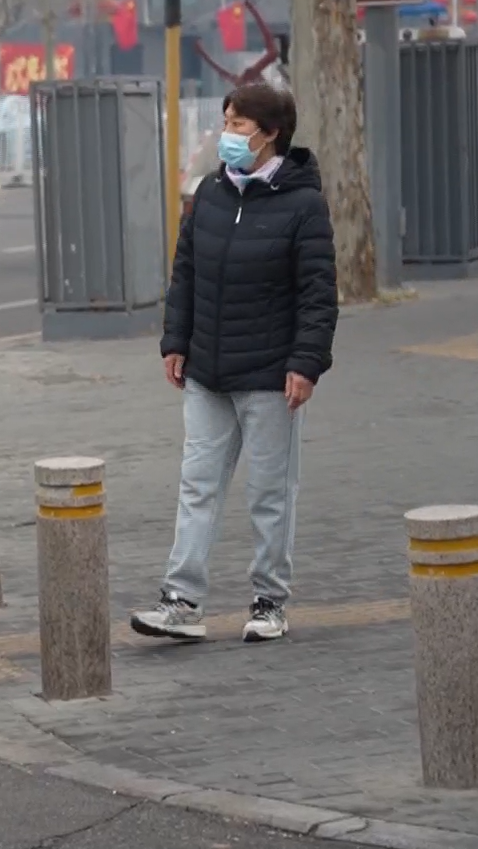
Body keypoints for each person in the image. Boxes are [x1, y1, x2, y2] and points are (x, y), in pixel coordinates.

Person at [131, 81, 337, 645]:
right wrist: (176, 341)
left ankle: (269, 600)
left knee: (270, 493)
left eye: (239, 126)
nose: (228, 135)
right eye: (225, 123)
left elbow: (318, 293)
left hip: (271, 376)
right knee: (196, 486)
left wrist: (306, 363)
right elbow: (186, 274)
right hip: (208, 373)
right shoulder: (210, 194)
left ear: (271, 135)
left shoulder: (303, 204)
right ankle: (181, 600)